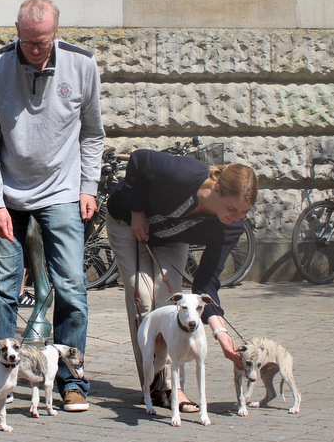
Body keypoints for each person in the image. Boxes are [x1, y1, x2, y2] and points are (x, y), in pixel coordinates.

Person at [0, 0, 105, 412]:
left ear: (56, 33)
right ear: (15, 30)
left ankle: (71, 380)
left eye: (42, 42)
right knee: (4, 289)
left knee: (72, 288)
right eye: (27, 41)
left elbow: (92, 133)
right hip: (8, 193)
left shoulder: (83, 66)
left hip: (63, 191)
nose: (35, 49)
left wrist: (88, 186)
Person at [105, 149, 258, 412]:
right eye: (232, 208)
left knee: (169, 302)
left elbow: (206, 284)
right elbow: (140, 160)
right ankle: (152, 387)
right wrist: (138, 212)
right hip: (127, 221)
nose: (235, 217)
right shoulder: (183, 174)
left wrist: (221, 334)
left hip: (170, 239)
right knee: (142, 298)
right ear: (218, 189)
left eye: (243, 213)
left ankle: (174, 389)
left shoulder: (231, 226)